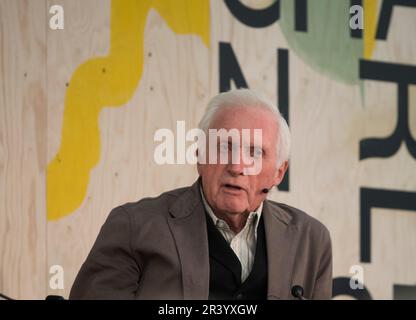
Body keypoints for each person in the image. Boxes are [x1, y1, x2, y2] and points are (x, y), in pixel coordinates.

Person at [69, 89, 332, 300]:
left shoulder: (310, 241)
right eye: (224, 147)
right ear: (200, 154)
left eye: (254, 152)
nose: (237, 167)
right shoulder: (134, 226)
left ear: (278, 172)